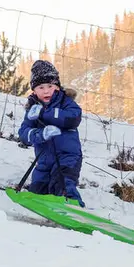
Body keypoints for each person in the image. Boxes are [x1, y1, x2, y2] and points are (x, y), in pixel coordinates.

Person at [17, 59, 85, 206]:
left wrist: (45, 114)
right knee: (39, 187)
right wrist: (40, 134)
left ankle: (75, 209)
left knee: (63, 184)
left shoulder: (65, 102)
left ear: (58, 87)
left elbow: (73, 118)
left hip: (67, 157)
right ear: (34, 90)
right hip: (44, 160)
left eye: (50, 86)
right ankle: (45, 209)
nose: (46, 90)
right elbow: (24, 133)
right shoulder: (32, 108)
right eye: (41, 87)